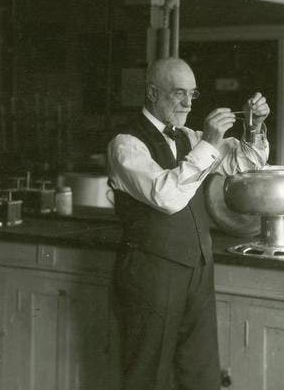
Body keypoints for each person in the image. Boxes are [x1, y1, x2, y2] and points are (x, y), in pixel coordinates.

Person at [107, 57, 270, 390]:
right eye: (178, 93)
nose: (186, 103)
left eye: (192, 95)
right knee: (147, 376)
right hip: (151, 273)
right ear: (152, 93)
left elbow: (245, 162)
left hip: (197, 268)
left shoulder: (188, 136)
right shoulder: (126, 145)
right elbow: (167, 196)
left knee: (200, 374)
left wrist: (253, 127)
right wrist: (208, 143)